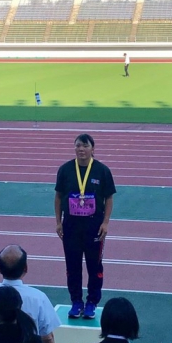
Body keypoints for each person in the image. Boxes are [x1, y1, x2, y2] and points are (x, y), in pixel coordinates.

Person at [55, 133, 116, 320]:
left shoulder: (102, 171)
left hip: (94, 228)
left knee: (94, 266)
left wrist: (105, 222)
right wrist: (58, 222)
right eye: (78, 146)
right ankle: (76, 301)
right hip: (71, 226)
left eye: (85, 146)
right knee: (72, 266)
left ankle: (91, 302)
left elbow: (109, 198)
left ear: (92, 149)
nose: (81, 149)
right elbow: (58, 197)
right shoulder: (65, 170)